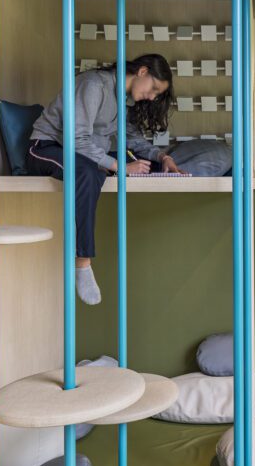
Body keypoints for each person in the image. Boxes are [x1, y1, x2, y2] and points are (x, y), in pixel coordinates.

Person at [25, 54, 180, 305]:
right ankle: (83, 262)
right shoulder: (94, 85)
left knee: (139, 166)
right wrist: (119, 166)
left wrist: (162, 156)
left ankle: (147, 167)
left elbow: (131, 140)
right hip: (47, 147)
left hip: (80, 153)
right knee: (89, 172)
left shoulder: (123, 100)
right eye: (153, 89)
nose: (152, 97)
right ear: (142, 71)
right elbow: (76, 139)